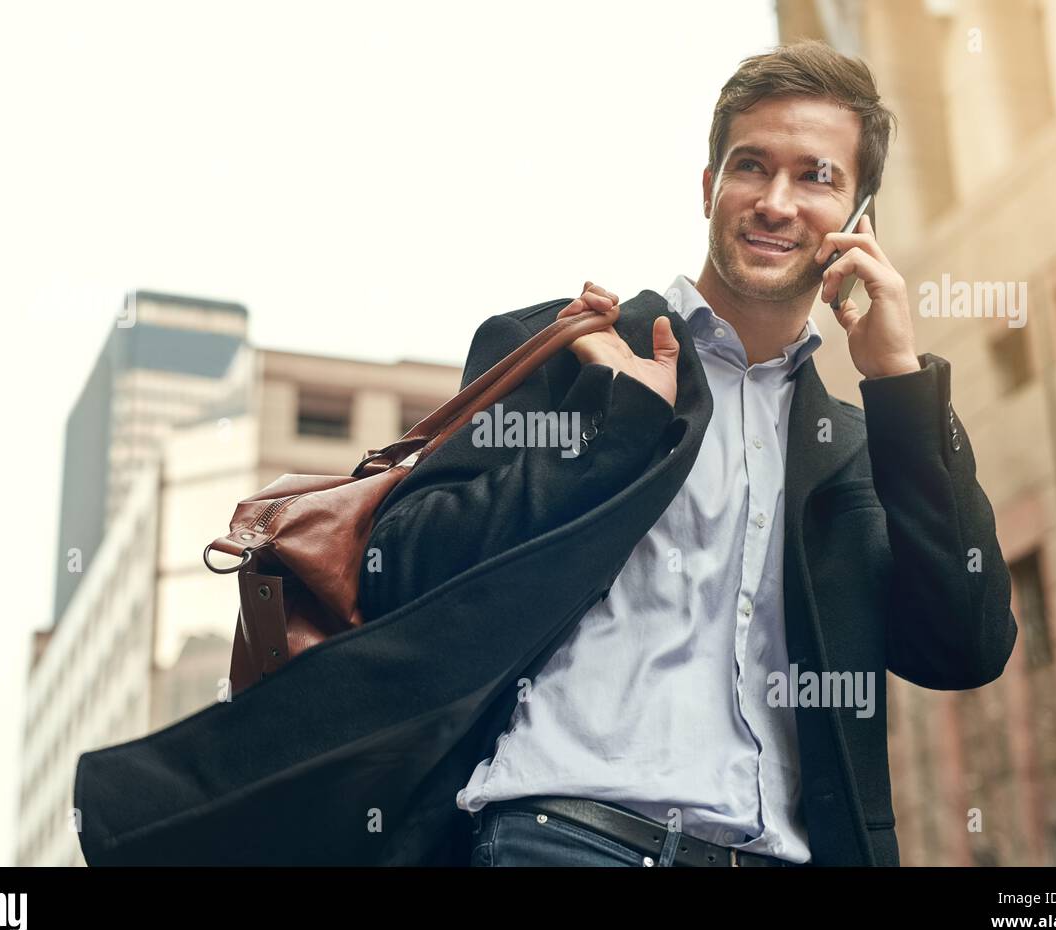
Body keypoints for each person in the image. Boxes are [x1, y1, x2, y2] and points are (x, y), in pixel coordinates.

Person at [355, 39, 1017, 867]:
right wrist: (613, 436)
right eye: (751, 167)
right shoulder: (568, 352)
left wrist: (898, 382)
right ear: (709, 187)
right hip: (558, 838)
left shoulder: (856, 442)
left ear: (857, 222)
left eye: (817, 176)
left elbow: (965, 648)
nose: (776, 203)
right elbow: (398, 567)